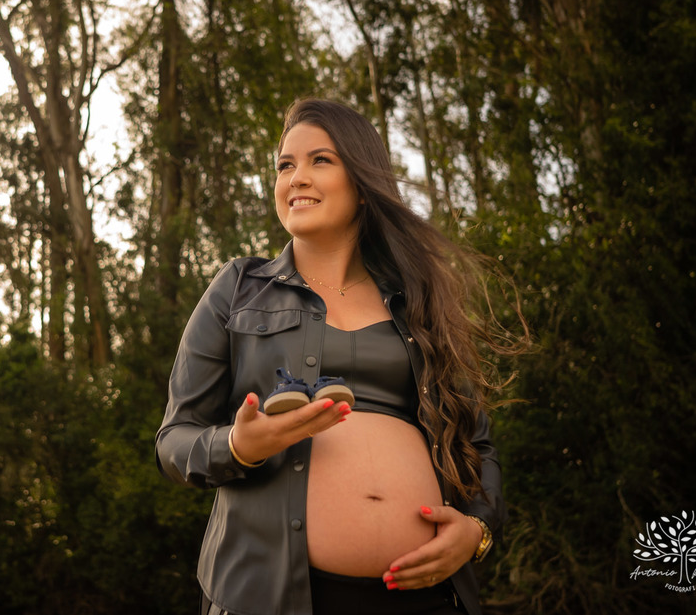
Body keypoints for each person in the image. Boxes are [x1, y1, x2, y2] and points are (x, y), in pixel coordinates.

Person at [156, 99, 519, 615]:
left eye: (319, 160)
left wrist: (477, 529)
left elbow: (475, 441)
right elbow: (174, 441)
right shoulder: (237, 289)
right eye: (286, 165)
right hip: (267, 597)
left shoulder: (416, 302)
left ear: (364, 183)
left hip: (426, 598)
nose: (296, 177)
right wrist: (238, 445)